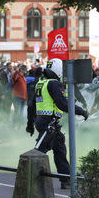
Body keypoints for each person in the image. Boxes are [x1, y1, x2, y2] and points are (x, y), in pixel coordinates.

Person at [27, 58, 89, 189]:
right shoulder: (54, 84)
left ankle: (66, 179)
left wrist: (30, 123)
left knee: (59, 149)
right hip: (49, 123)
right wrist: (81, 111)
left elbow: (31, 105)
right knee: (39, 152)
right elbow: (62, 104)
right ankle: (28, 178)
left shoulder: (41, 83)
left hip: (45, 122)